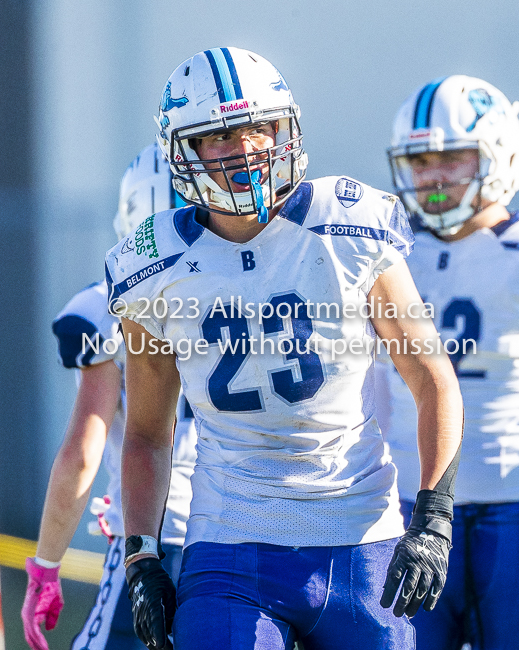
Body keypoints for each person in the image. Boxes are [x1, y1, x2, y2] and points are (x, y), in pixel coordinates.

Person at [105, 47, 464, 650]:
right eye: (220, 136)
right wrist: (141, 557)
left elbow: (432, 378)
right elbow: (147, 432)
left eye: (260, 127)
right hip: (230, 541)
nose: (247, 147)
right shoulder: (154, 263)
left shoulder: (347, 223)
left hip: (359, 533)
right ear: (183, 151)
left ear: (287, 126)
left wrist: (433, 519)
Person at [21, 143, 197, 650]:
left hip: (153, 540)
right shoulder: (245, 293)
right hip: (242, 538)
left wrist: (46, 567)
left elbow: (82, 454)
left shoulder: (104, 307)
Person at [383, 75, 519, 650]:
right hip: (403, 510)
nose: (435, 178)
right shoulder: (380, 249)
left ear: (499, 156)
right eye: (421, 162)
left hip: (510, 503)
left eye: (453, 158)